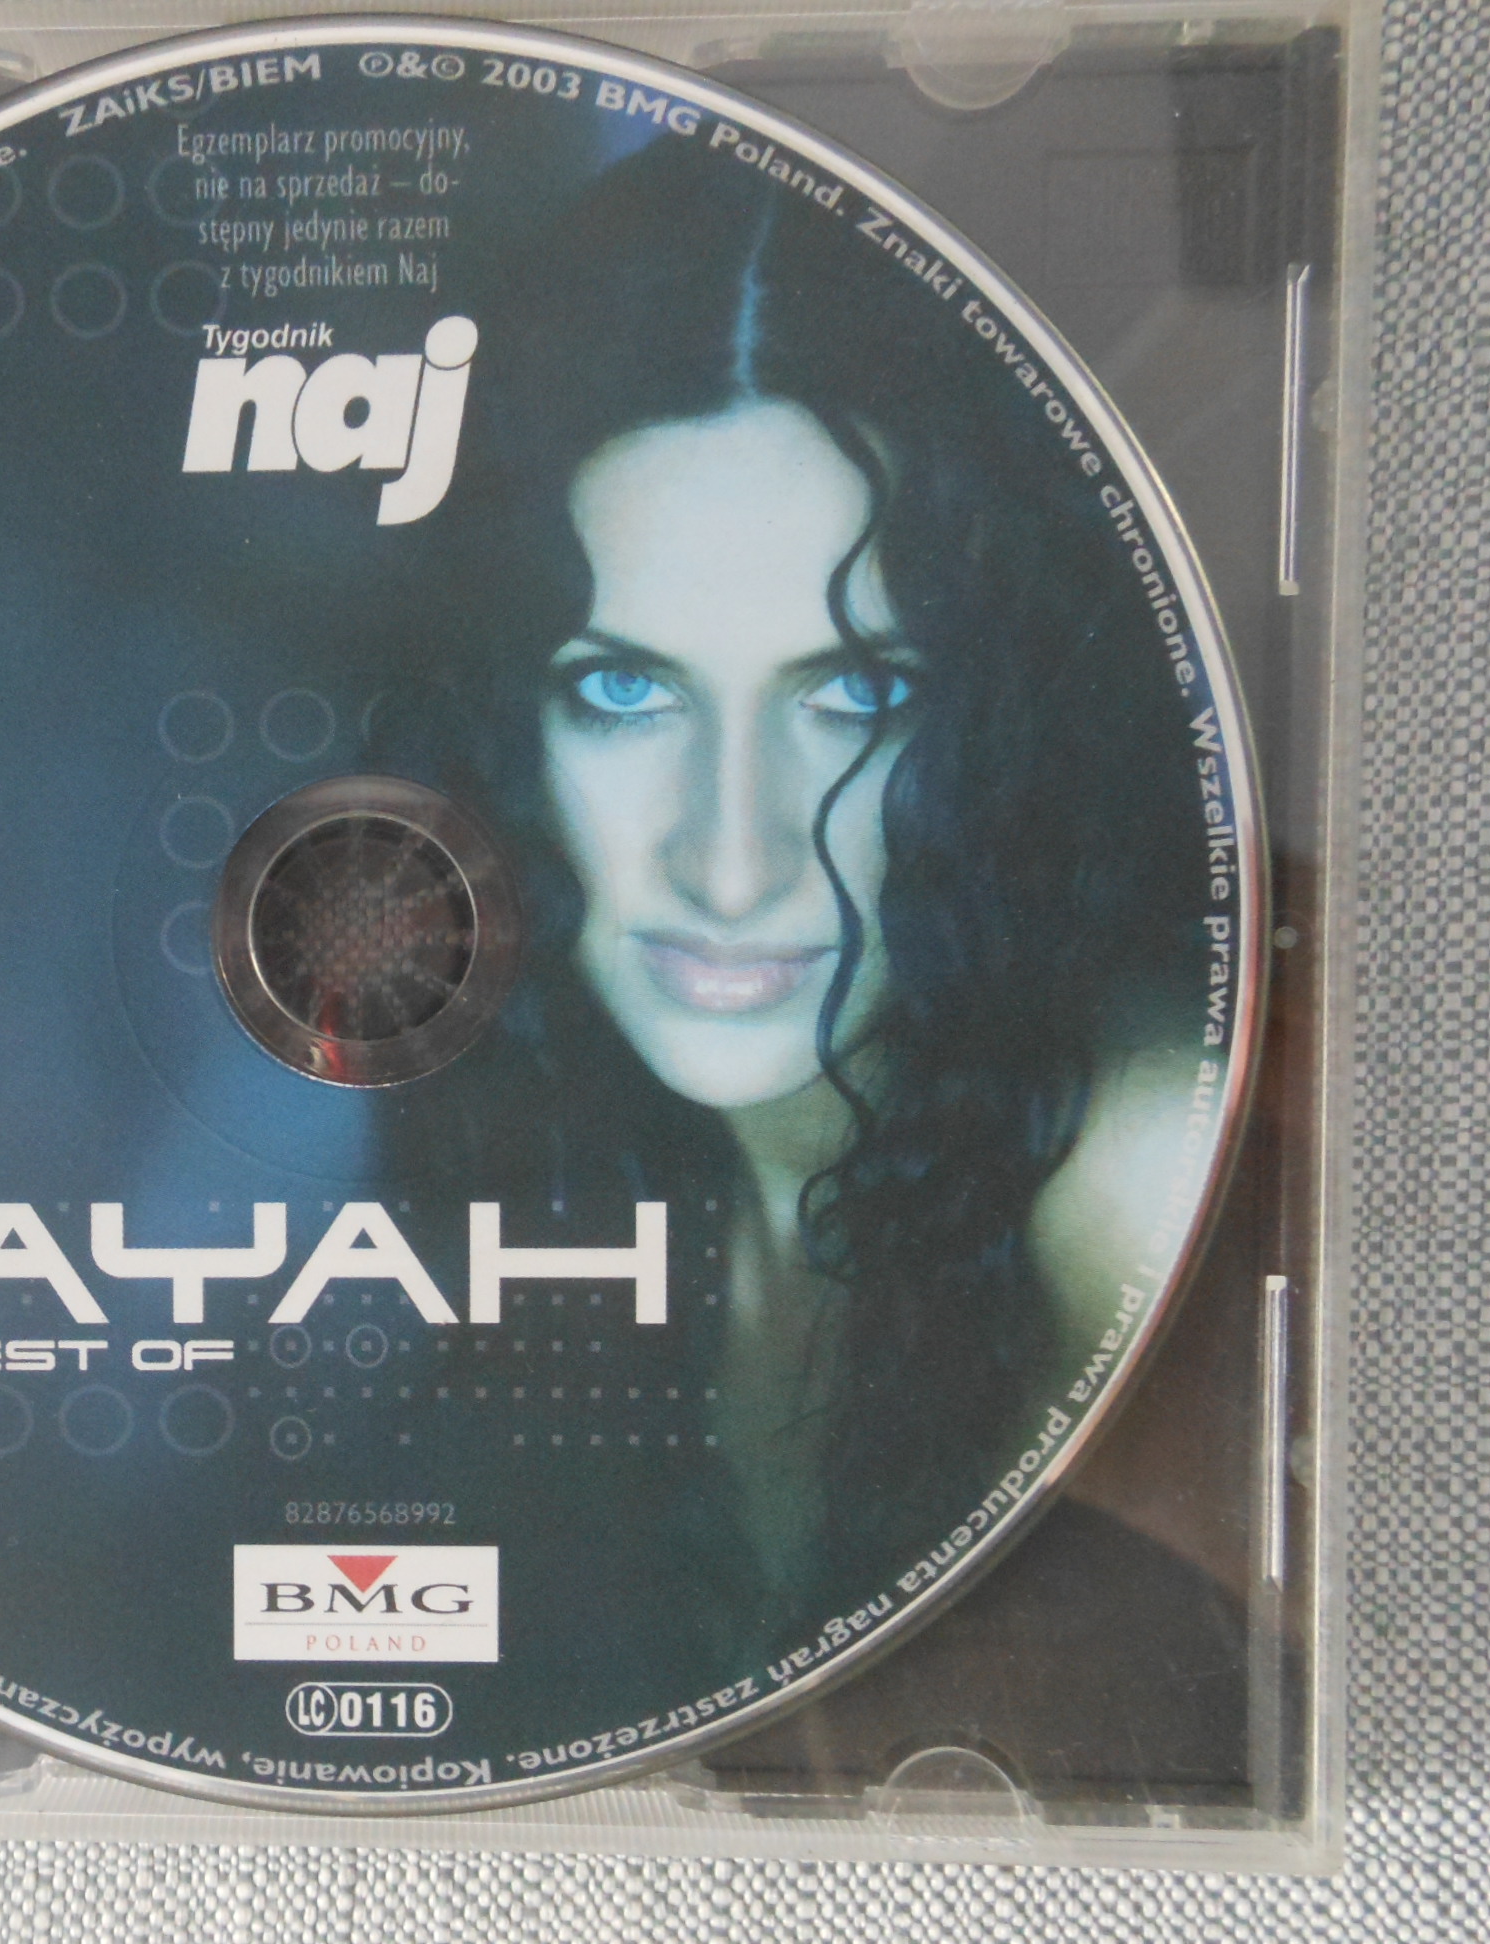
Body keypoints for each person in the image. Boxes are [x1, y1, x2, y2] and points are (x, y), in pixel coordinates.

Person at [393, 138, 1220, 1638]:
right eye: (624, 691)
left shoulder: (1139, 1167)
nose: (732, 859)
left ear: (994, 722)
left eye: (857, 696)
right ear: (502, 729)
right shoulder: (568, 1162)